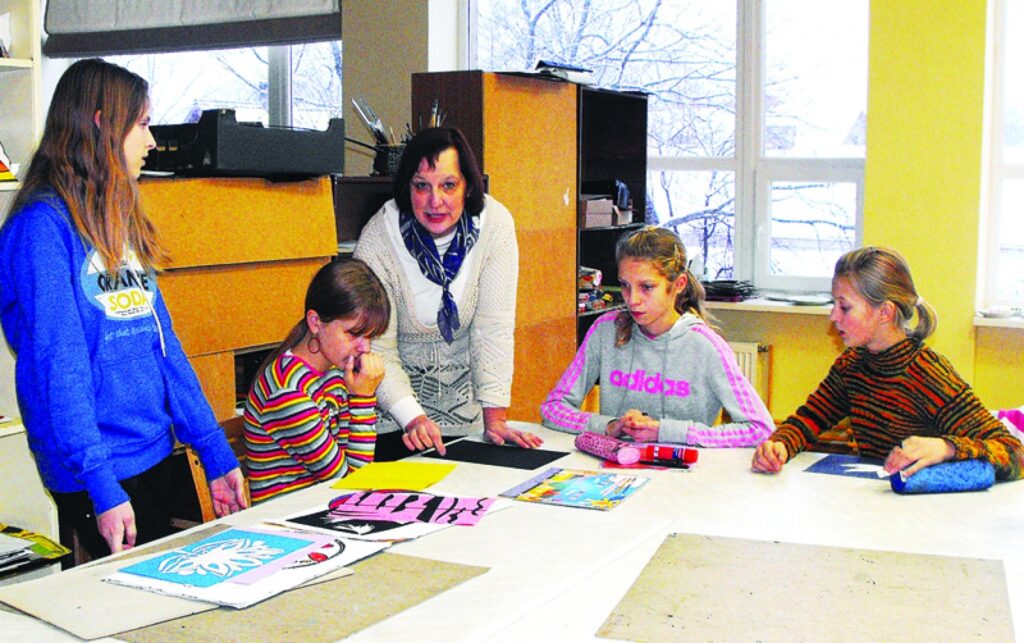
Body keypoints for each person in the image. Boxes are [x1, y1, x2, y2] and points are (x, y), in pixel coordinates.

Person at [0, 59, 246, 560]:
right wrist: (100, 484)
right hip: (96, 467)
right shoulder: (40, 230)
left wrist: (214, 448)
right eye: (142, 124)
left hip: (152, 448)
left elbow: (164, 347)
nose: (151, 141)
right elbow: (58, 365)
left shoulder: (117, 215)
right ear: (99, 122)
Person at [752, 246, 1024, 480]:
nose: (833, 316)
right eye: (833, 304)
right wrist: (780, 445)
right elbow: (810, 419)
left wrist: (946, 448)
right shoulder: (852, 364)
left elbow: (1014, 453)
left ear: (885, 311)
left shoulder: (927, 373)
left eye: (845, 307)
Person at [354, 127, 543, 459]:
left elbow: (493, 329)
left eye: (449, 185)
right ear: (406, 187)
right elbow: (378, 347)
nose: (435, 201)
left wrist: (495, 418)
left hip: (464, 419)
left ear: (467, 185)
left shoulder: (494, 224)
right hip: (393, 422)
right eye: (421, 186)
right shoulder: (378, 239)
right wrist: (413, 418)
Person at [541, 226, 774, 446]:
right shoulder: (605, 330)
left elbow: (759, 428)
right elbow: (553, 408)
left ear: (678, 284)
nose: (632, 300)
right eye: (625, 285)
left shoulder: (706, 346)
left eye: (647, 287)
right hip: (615, 467)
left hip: (681, 476)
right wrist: (607, 425)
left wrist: (667, 431)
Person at [243, 259, 388, 503]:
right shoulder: (287, 391)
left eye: (370, 336)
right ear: (315, 322)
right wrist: (363, 399)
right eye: (353, 333)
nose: (365, 347)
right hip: (288, 525)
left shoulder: (335, 374)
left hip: (322, 511)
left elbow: (352, 473)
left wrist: (358, 397)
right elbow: (349, 487)